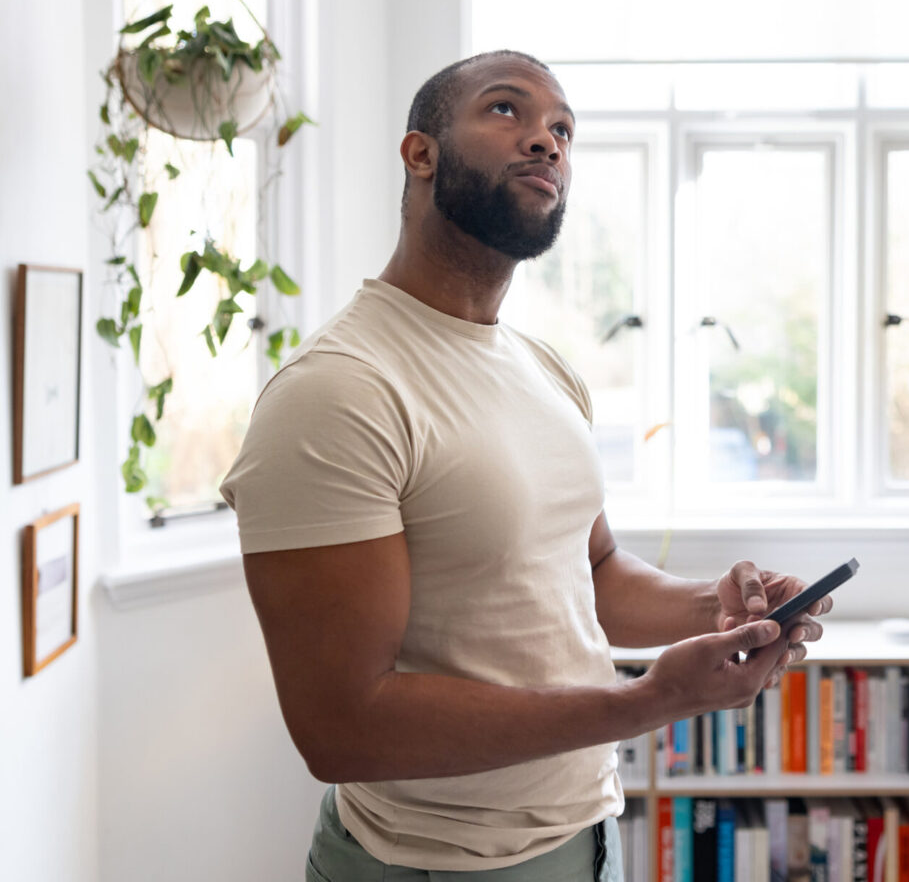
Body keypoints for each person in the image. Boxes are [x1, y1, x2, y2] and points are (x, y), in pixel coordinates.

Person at [220, 50, 831, 881]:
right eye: (507, 111)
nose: (546, 141)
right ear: (420, 153)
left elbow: (595, 573)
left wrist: (715, 611)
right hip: (435, 866)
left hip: (587, 840)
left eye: (563, 129)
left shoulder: (545, 370)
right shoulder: (338, 392)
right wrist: (650, 700)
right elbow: (340, 728)